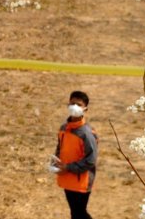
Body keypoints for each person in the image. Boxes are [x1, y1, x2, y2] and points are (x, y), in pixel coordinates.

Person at [53, 90, 98, 219]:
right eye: (72, 103)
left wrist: (68, 167)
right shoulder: (63, 128)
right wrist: (56, 163)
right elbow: (59, 148)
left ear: (85, 109)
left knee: (79, 213)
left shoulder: (87, 133)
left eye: (79, 105)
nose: (75, 107)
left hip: (81, 181)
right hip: (67, 178)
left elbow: (91, 160)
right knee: (75, 213)